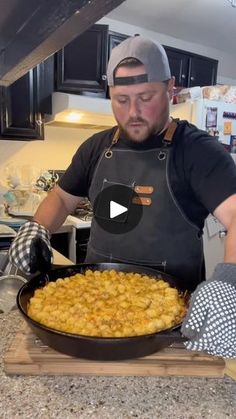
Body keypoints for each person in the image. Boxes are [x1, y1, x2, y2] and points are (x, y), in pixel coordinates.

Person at [9, 35, 236, 358]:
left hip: (168, 326)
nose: (133, 112)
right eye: (121, 99)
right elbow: (61, 198)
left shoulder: (199, 152)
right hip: (88, 311)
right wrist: (37, 228)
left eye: (146, 97)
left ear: (170, 89)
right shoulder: (96, 147)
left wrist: (230, 281)